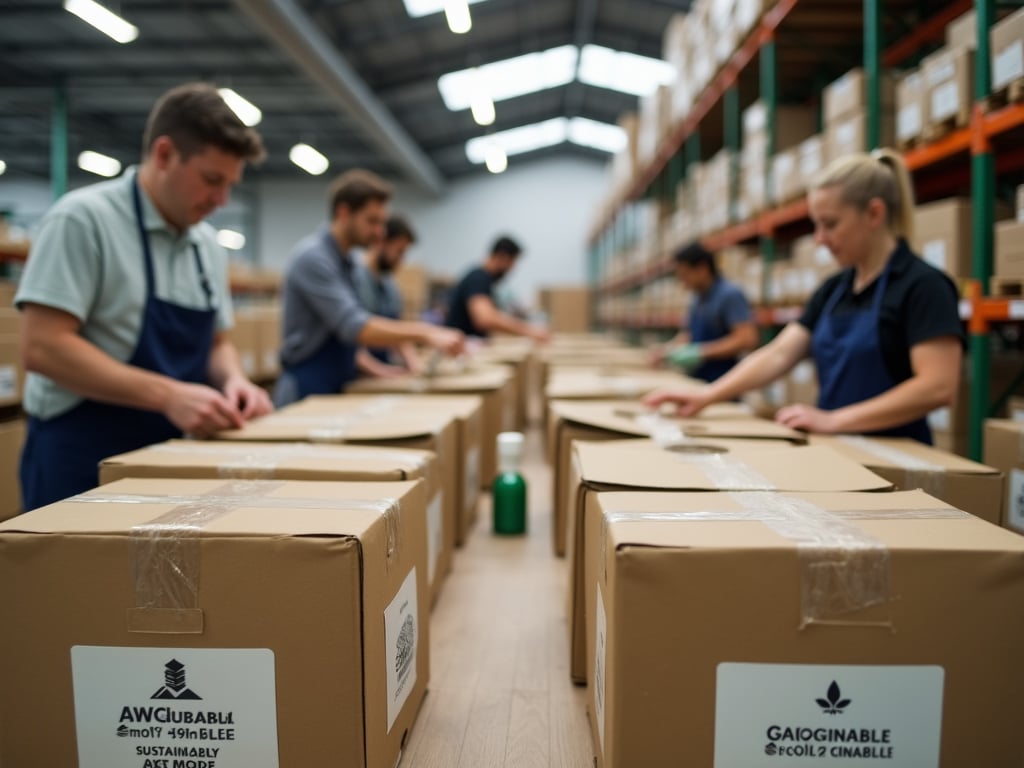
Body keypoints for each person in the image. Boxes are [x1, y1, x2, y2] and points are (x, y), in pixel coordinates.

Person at [16, 82, 273, 511]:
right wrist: (169, 396)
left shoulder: (206, 246)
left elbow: (217, 342)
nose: (221, 200)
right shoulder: (83, 220)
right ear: (164, 154)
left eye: (230, 185)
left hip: (170, 453)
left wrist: (234, 380)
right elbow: (43, 346)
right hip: (80, 455)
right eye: (212, 180)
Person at [645, 149, 964, 444]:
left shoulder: (923, 286)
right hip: (837, 449)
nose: (819, 239)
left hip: (898, 457)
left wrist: (835, 420)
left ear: (874, 213)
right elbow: (779, 354)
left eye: (830, 224)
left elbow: (937, 386)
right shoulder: (834, 290)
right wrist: (707, 396)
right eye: (816, 225)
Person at [274, 170, 463, 406]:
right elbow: (354, 326)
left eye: (381, 223)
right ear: (344, 213)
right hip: (306, 386)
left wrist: (383, 371)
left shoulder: (350, 264)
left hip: (337, 383)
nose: (379, 232)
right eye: (372, 221)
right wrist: (426, 332)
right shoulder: (313, 258)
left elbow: (349, 339)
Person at [650, 241, 758, 382]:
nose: (682, 282)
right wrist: (667, 351)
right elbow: (689, 334)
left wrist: (701, 352)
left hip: (723, 381)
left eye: (685, 275)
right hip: (699, 379)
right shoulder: (698, 298)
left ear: (702, 268)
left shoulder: (730, 295)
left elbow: (747, 339)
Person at [353, 214, 422, 377]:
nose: (401, 260)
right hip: (360, 375)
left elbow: (396, 331)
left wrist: (414, 366)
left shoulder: (389, 284)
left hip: (381, 372)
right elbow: (351, 340)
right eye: (399, 252)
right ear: (381, 242)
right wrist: (384, 372)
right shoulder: (355, 278)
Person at [445, 236, 550, 342]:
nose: (511, 269)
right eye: (512, 262)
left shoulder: (484, 279)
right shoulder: (478, 278)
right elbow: (485, 318)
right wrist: (530, 331)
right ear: (502, 256)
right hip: (461, 344)